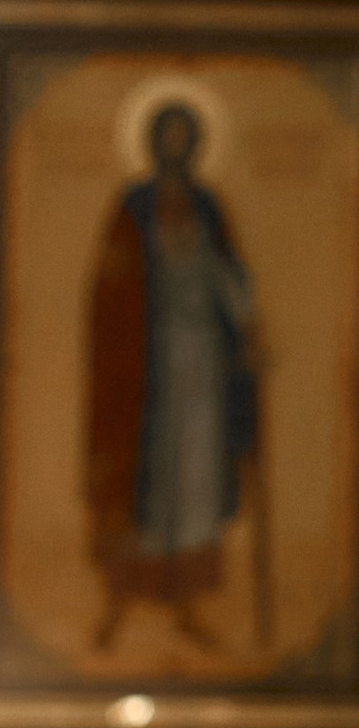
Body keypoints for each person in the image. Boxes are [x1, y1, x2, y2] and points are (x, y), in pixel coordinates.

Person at [86, 100, 263, 655]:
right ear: (155, 140)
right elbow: (110, 288)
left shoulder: (208, 208)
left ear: (195, 144)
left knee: (194, 481)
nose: (176, 145)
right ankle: (120, 600)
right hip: (145, 367)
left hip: (203, 368)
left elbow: (232, 281)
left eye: (186, 136)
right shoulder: (134, 206)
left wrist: (247, 328)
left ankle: (186, 603)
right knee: (145, 478)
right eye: (169, 135)